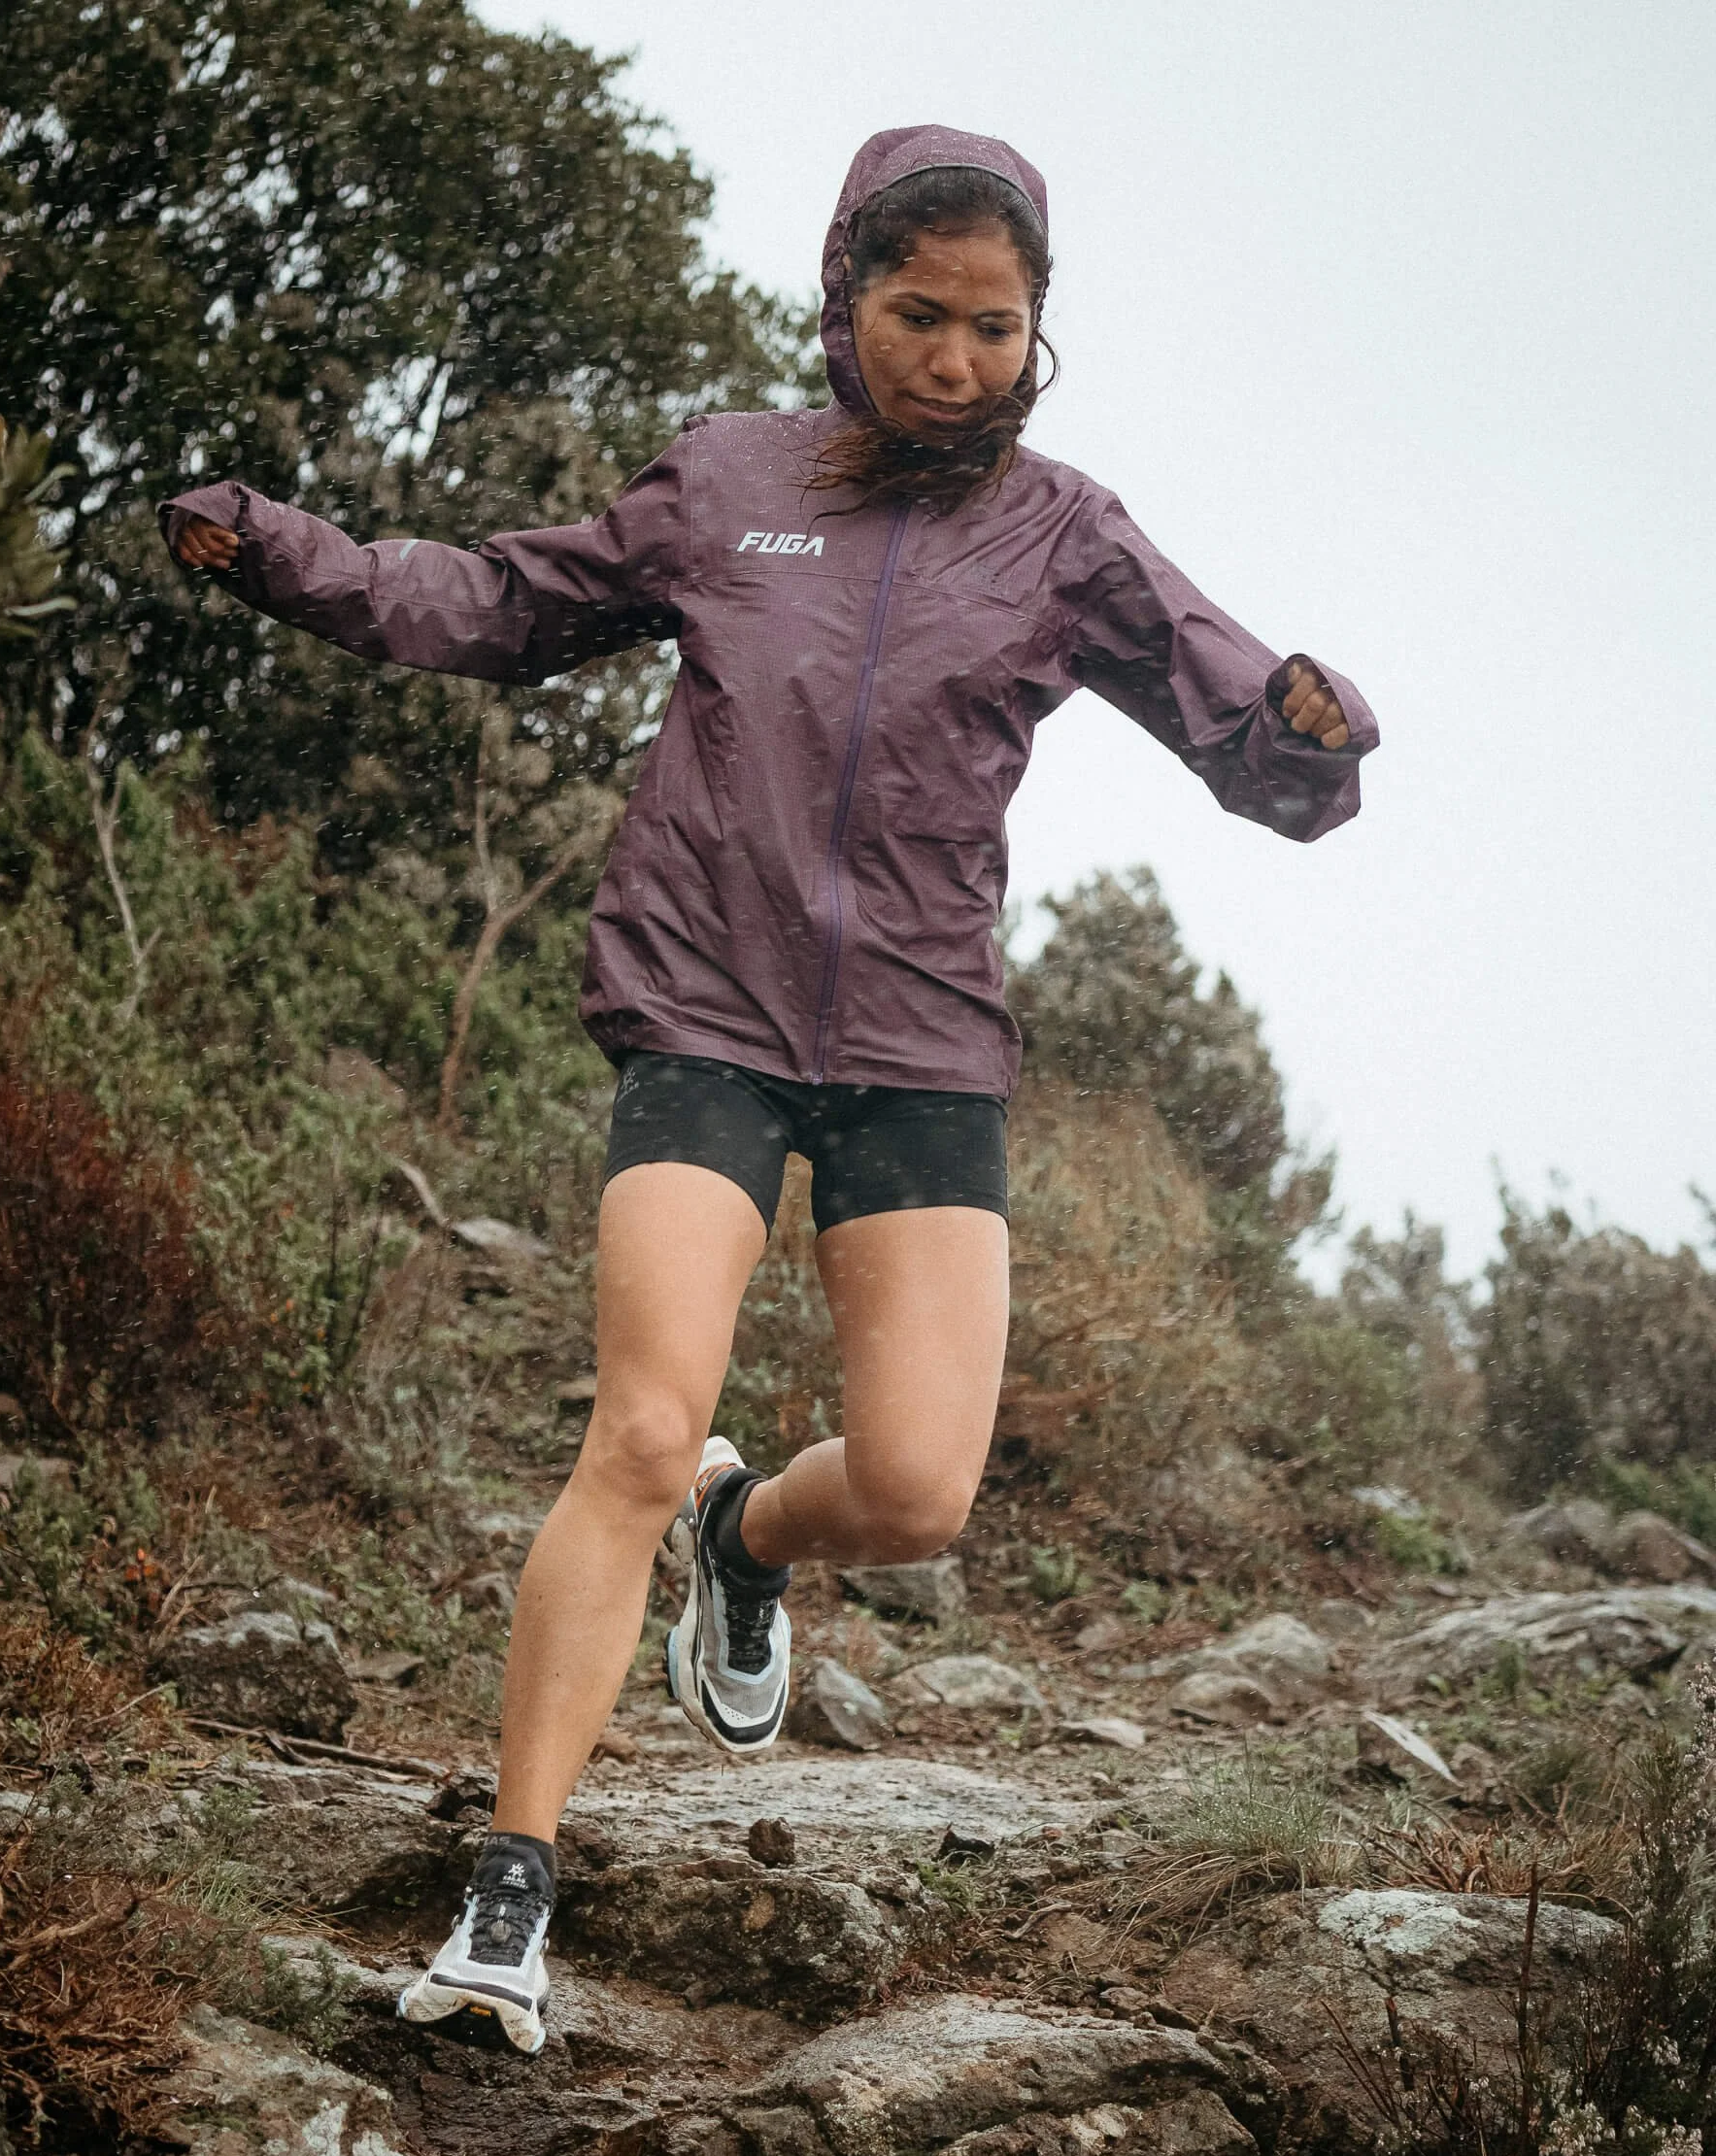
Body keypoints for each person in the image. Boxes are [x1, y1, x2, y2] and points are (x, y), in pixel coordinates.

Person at [161, 124, 1377, 2056]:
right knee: (642, 1426)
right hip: (703, 1008)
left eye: (998, 325)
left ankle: (748, 1549)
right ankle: (509, 1885)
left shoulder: (1067, 533)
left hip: (914, 1039)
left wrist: (1311, 729)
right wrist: (282, 557)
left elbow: (1248, 729)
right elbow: (490, 600)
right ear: (843, 296)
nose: (959, 359)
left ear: (1035, 330)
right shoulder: (728, 479)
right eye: (921, 313)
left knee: (910, 1490)